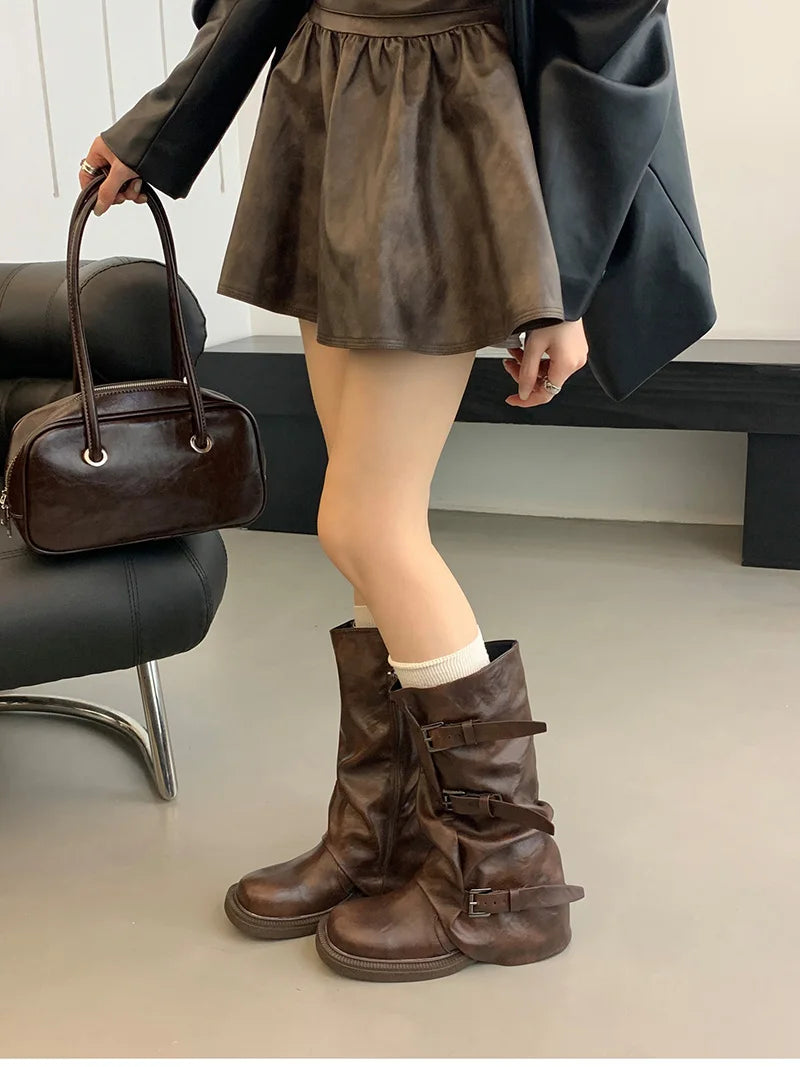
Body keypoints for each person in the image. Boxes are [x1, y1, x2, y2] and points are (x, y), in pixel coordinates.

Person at [79, 0, 710, 983]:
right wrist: (153, 130)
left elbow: (608, 44)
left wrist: (563, 285)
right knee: (367, 517)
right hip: (331, 110)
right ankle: (376, 835)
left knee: (365, 522)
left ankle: (507, 871)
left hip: (448, 134)